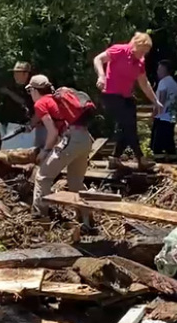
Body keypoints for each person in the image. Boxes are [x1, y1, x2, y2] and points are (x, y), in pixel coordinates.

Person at [27, 75, 95, 227]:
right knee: (75, 182)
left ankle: (40, 218)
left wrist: (45, 152)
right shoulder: (57, 100)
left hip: (71, 140)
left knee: (43, 177)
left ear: (34, 90)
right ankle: (86, 218)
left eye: (30, 91)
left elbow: (52, 132)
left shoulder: (41, 103)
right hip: (85, 139)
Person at [93, 32, 161, 170]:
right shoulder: (119, 50)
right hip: (111, 95)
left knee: (128, 127)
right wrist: (101, 76)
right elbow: (98, 59)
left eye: (145, 53)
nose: (143, 55)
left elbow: (144, 83)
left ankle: (115, 158)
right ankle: (141, 158)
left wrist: (155, 101)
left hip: (126, 96)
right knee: (128, 124)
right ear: (136, 46)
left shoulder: (140, 62)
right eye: (141, 51)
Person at [150, 60, 177, 159]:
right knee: (169, 140)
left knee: (157, 143)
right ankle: (172, 158)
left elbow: (161, 100)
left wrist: (154, 114)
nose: (158, 72)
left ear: (166, 70)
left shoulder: (163, 82)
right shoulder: (173, 83)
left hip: (162, 116)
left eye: (160, 69)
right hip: (171, 116)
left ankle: (159, 159)